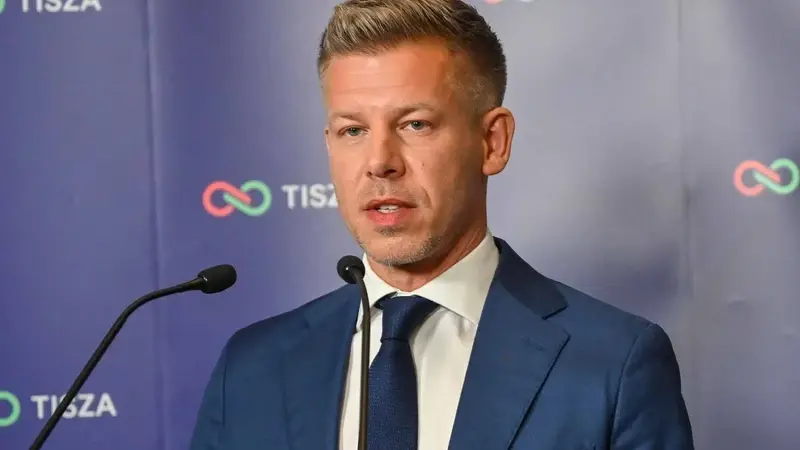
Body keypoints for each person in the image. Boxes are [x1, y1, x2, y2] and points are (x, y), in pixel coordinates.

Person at [189, 0, 694, 449]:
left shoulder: (613, 362)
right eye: (353, 130)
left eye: (415, 124)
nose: (379, 162)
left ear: (492, 142)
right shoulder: (252, 367)